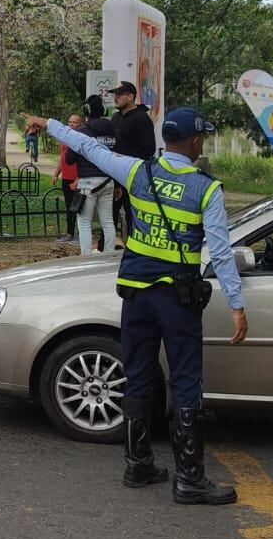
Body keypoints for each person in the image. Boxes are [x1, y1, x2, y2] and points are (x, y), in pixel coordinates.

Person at [26, 105, 247, 505]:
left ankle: (138, 463)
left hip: (135, 294)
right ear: (195, 142)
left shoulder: (137, 171)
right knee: (185, 381)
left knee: (139, 376)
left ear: (167, 140)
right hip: (177, 300)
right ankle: (190, 480)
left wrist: (50, 124)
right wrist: (236, 304)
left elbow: (87, 146)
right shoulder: (206, 188)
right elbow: (221, 251)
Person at [108, 81, 156, 247]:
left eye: (120, 94)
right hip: (114, 173)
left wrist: (129, 162)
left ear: (130, 96)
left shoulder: (141, 118)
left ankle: (136, 245)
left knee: (133, 212)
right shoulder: (115, 118)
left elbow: (149, 149)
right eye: (115, 95)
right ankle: (109, 245)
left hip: (134, 174)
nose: (116, 98)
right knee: (110, 212)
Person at [71, 95, 118, 255]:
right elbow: (120, 153)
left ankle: (86, 257)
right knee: (108, 221)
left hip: (88, 182)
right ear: (104, 110)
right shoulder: (112, 129)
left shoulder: (82, 132)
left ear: (86, 110)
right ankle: (109, 254)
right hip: (108, 180)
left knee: (84, 222)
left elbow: (70, 159)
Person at [51, 114, 83, 240]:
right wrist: (56, 174)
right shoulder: (64, 139)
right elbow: (62, 158)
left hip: (78, 179)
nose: (71, 124)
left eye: (74, 122)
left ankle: (81, 234)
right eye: (69, 122)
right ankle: (70, 233)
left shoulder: (82, 138)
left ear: (80, 124)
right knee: (69, 206)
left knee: (80, 207)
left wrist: (79, 178)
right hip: (66, 178)